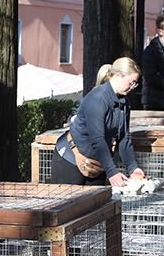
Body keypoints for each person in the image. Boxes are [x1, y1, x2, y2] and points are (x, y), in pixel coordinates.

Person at [51, 58, 148, 187]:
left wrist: (133, 169)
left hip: (97, 163)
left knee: (95, 205)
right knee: (66, 205)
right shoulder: (97, 99)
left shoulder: (124, 103)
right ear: (118, 76)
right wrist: (112, 172)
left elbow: (124, 138)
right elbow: (97, 139)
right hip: (70, 159)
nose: (132, 88)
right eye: (131, 82)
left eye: (135, 84)